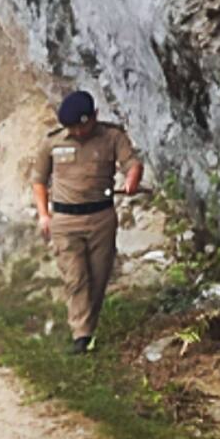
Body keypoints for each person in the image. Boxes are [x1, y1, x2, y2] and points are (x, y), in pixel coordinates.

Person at [33, 90, 143, 353]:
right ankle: (81, 336)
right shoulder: (52, 142)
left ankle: (88, 326)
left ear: (94, 116)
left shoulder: (112, 137)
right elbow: (39, 180)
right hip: (65, 221)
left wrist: (131, 181)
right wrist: (44, 214)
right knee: (76, 276)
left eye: (84, 125)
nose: (79, 132)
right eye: (73, 127)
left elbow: (132, 164)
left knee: (98, 275)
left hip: (100, 219)